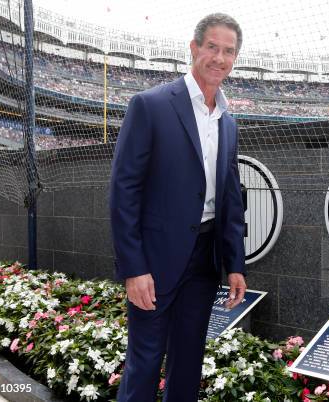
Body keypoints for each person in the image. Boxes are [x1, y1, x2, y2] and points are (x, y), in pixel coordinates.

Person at [109, 13, 247, 402]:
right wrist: (134, 268)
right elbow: (124, 192)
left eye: (229, 52)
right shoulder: (150, 106)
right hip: (154, 261)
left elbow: (230, 198)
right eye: (212, 47)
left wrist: (235, 263)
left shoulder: (228, 122)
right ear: (194, 48)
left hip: (204, 261)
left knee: (188, 362)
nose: (219, 58)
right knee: (146, 362)